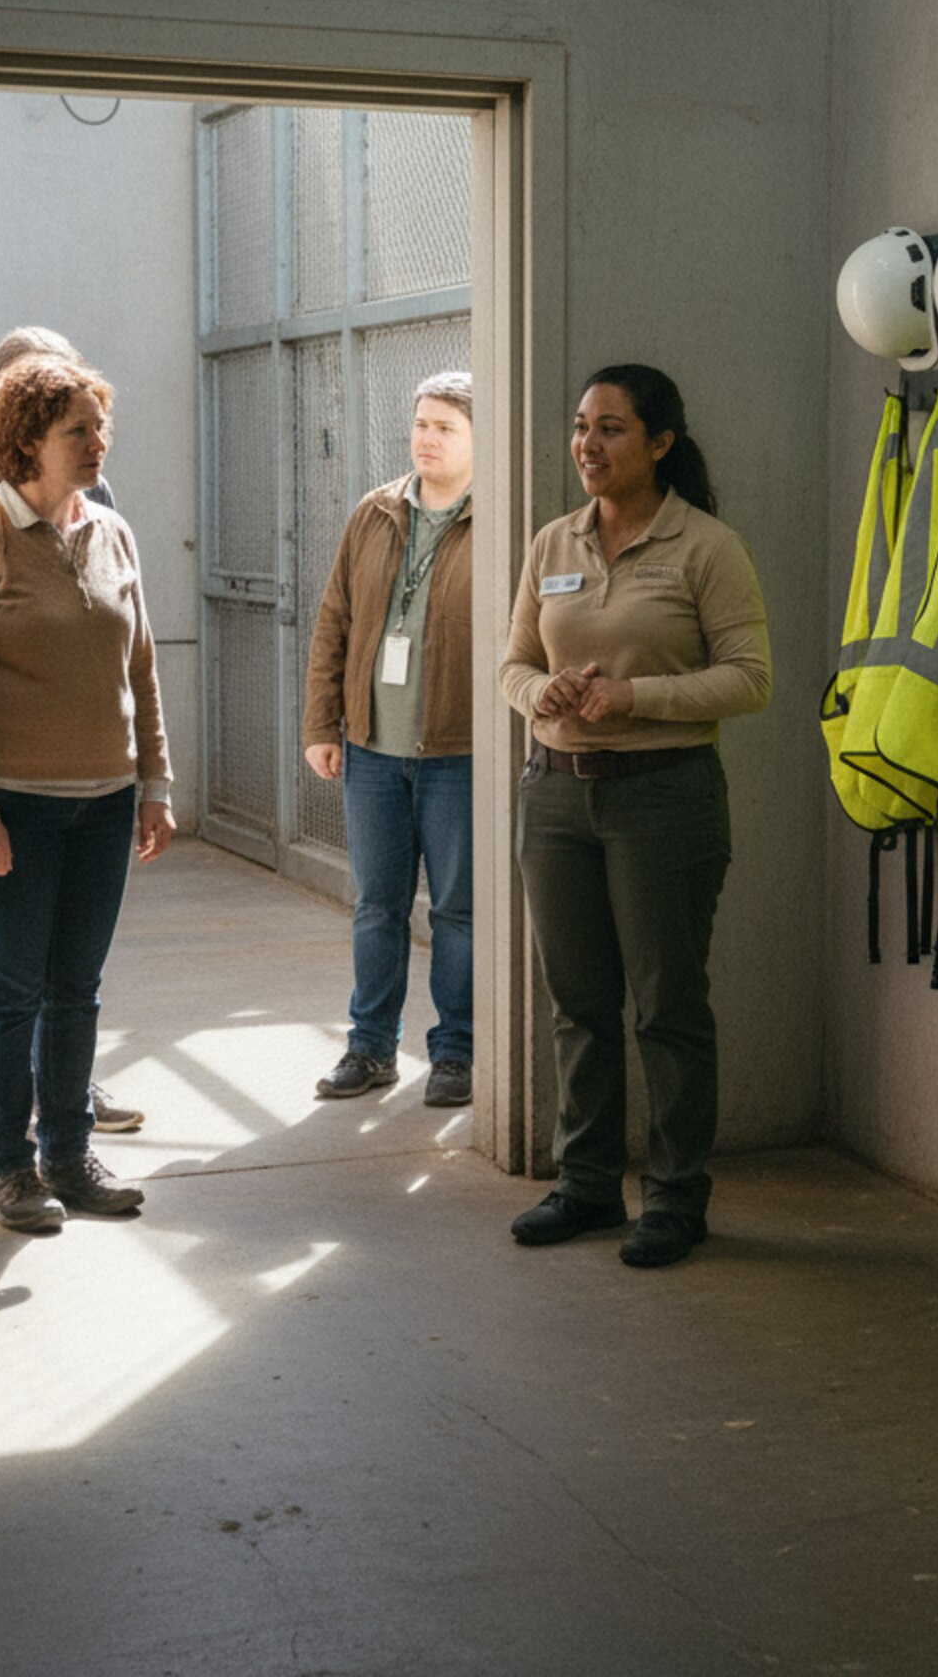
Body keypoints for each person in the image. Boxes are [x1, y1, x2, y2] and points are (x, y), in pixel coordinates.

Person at [498, 364, 770, 1268]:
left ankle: (676, 1198)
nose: (587, 445)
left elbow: (750, 677)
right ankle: (586, 1186)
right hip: (556, 794)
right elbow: (511, 666)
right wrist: (549, 690)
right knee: (580, 1006)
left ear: (660, 443)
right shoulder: (553, 544)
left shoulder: (706, 548)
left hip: (664, 800)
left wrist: (634, 696)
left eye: (611, 429)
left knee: (667, 1008)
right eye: (580, 427)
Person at [0, 351, 174, 1232]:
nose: (98, 442)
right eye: (80, 429)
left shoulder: (112, 531)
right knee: (11, 988)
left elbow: (141, 671)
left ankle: (68, 1157)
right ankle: (7, 1169)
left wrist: (155, 782)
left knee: (78, 986)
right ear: (26, 439)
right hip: (16, 805)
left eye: (99, 426)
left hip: (106, 801)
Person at [302, 370, 476, 1111]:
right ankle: (370, 1048)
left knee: (458, 911)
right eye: (422, 423)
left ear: (479, 439)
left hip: (458, 754)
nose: (427, 438)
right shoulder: (374, 512)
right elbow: (333, 621)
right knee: (377, 905)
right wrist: (320, 726)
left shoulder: (494, 519)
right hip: (373, 750)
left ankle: (457, 1053)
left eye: (446, 427)